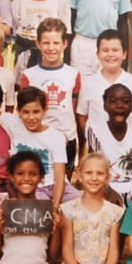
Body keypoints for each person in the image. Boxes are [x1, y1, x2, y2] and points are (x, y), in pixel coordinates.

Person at [55, 153, 124, 264]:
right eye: (88, 173)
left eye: (100, 173)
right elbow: (67, 250)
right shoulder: (69, 209)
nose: (94, 178)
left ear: (107, 178)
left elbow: (114, 250)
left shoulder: (114, 212)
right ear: (79, 176)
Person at [0, 86, 81, 211]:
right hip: (34, 187)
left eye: (36, 112)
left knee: (82, 205)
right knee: (40, 210)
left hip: (56, 184)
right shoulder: (14, 124)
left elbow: (59, 175)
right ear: (18, 111)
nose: (31, 117)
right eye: (26, 112)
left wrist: (55, 206)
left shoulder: (56, 136)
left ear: (44, 110)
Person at [19, 17, 81, 174]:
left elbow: (73, 111)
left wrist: (68, 137)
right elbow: (24, 113)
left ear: (65, 44)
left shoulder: (73, 74)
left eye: (56, 43)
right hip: (38, 139)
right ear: (38, 43)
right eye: (46, 43)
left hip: (67, 139)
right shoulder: (29, 75)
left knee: (64, 182)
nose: (51, 48)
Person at [75, 29, 132, 160]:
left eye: (115, 50)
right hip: (98, 153)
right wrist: (94, 139)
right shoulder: (88, 83)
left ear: (124, 54)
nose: (110, 54)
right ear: (97, 54)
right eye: (105, 50)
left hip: (127, 151)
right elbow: (82, 117)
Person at [85, 84, 132, 207]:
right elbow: (93, 165)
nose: (120, 105)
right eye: (113, 101)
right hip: (105, 185)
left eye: (126, 101)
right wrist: (106, 188)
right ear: (105, 105)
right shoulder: (95, 130)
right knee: (110, 205)